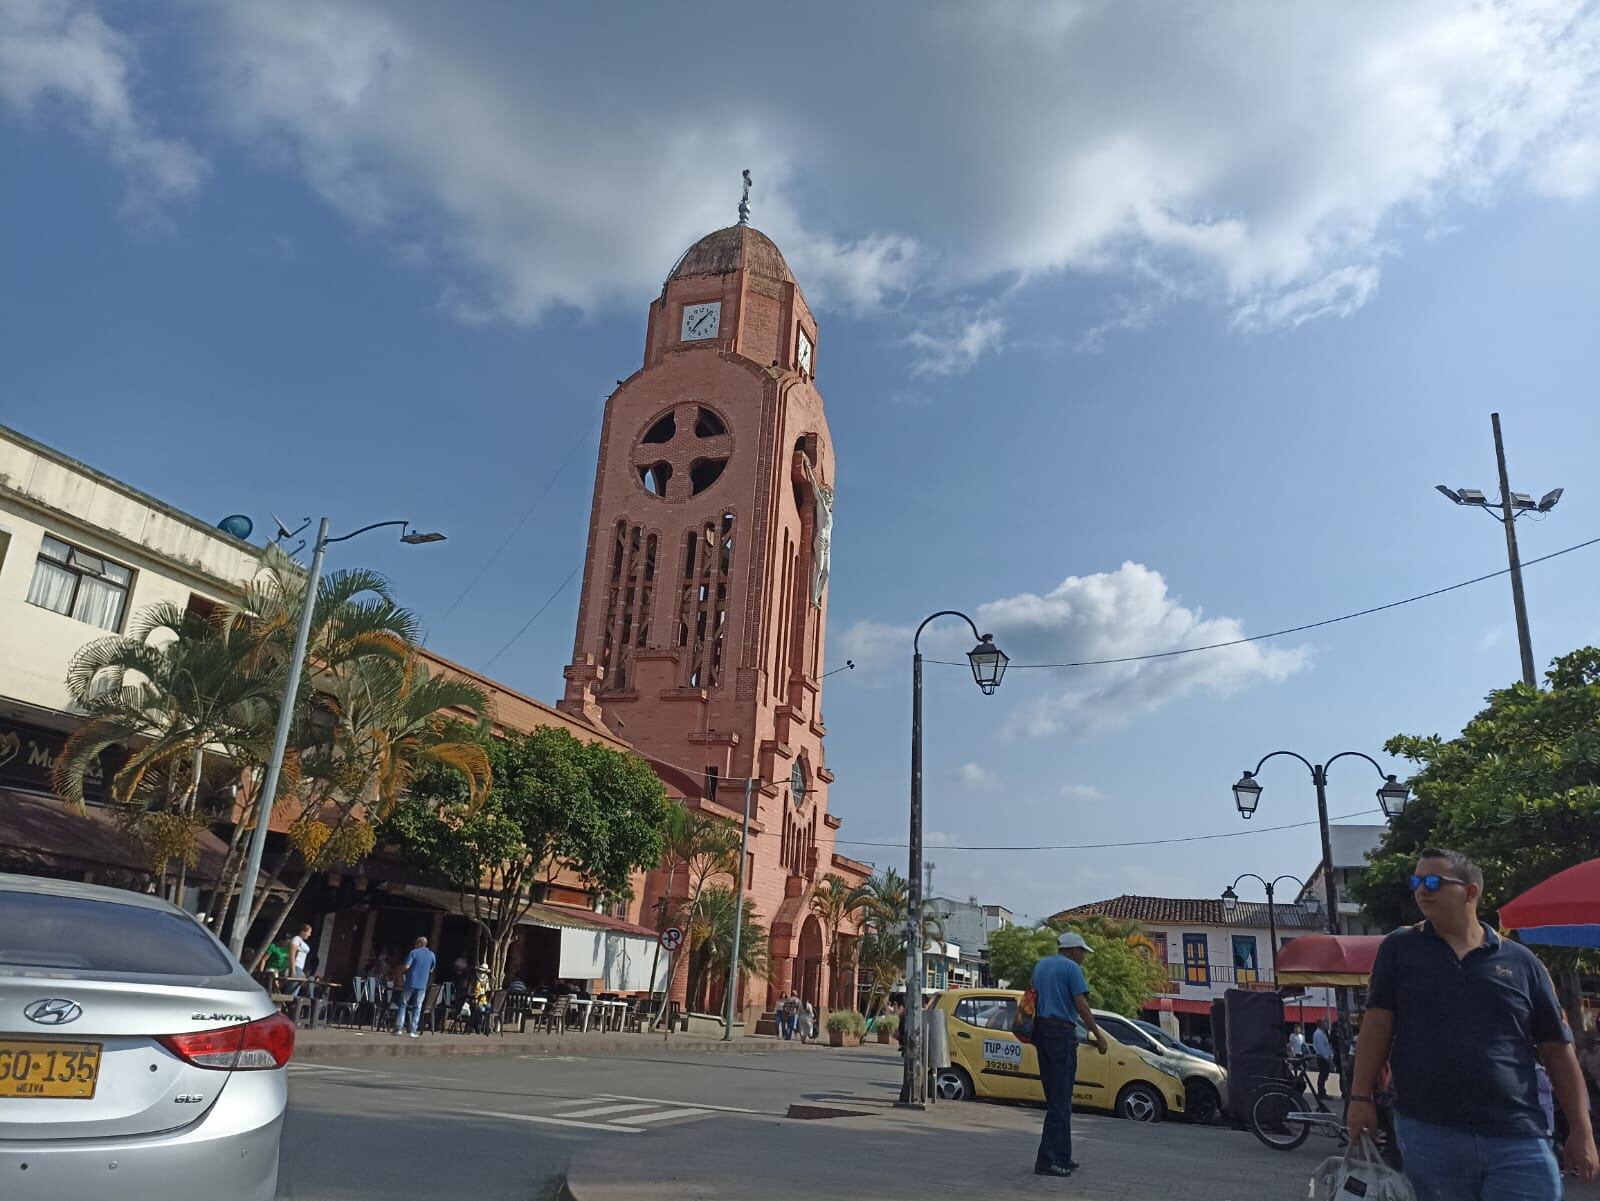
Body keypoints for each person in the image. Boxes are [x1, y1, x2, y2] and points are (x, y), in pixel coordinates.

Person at [1348, 849, 1598, 1200]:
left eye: (1433, 882)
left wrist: (1581, 1130)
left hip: (1518, 1133)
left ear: (1470, 892)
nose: (1422, 890)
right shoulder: (1400, 949)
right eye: (1416, 882)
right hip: (1429, 1130)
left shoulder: (1523, 963)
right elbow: (1376, 1027)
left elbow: (1557, 1048)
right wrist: (1360, 1098)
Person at [1030, 931, 1109, 1179]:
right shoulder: (1072, 969)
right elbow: (1081, 1005)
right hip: (1061, 1033)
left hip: (1041, 1032)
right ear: (1074, 950)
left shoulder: (1041, 966)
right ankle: (1047, 1160)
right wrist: (1098, 1034)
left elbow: (1032, 998)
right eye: (1082, 952)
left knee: (1057, 1097)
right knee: (1060, 1101)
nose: (1083, 956)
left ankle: (1063, 1155)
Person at [392, 936, 436, 1037]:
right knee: (418, 1007)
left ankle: (398, 1028)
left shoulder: (414, 952)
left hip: (410, 983)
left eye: (416, 943)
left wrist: (401, 972)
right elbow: (431, 969)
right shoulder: (432, 955)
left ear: (419, 943)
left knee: (403, 1004)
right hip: (422, 985)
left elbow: (407, 966)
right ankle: (413, 1031)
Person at [287, 923, 313, 999]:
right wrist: (292, 969)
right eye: (308, 932)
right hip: (295, 966)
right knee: (292, 991)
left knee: (296, 989)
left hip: (299, 968)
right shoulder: (296, 939)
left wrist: (301, 972)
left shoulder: (301, 941)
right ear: (302, 932)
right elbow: (292, 954)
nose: (309, 935)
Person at [1312, 1019, 1335, 1099]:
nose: (1326, 1025)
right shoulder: (1318, 1034)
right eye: (1325, 1024)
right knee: (1322, 1075)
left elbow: (1327, 1046)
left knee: (1324, 1074)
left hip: (1325, 1056)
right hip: (1322, 1057)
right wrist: (1326, 1058)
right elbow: (1321, 1048)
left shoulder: (1323, 1033)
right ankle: (1321, 1093)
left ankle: (1322, 1091)